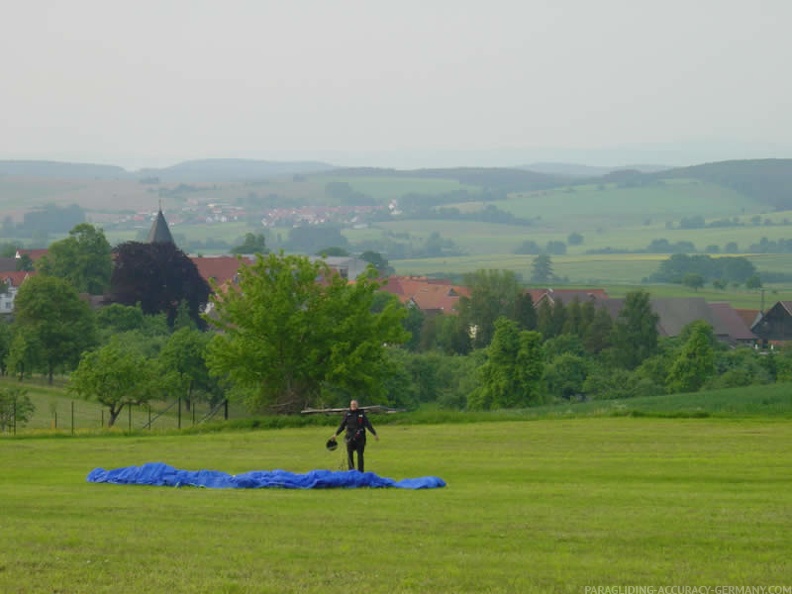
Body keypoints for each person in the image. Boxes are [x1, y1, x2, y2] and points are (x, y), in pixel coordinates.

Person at [330, 400, 379, 472]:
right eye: (352, 404)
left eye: (354, 404)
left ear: (357, 405)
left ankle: (360, 472)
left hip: (360, 438)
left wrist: (374, 434)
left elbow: (368, 424)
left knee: (360, 455)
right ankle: (351, 471)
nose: (353, 406)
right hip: (349, 438)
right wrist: (336, 434)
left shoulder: (361, 414)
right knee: (350, 455)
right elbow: (342, 425)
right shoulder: (347, 414)